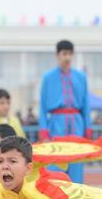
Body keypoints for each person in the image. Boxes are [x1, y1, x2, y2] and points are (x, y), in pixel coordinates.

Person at [38, 40, 92, 183]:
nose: (67, 57)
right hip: (56, 123)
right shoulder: (48, 77)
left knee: (76, 163)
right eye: (64, 54)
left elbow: (86, 104)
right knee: (55, 162)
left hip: (77, 124)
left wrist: (88, 128)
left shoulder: (81, 77)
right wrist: (43, 130)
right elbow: (42, 106)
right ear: (57, 55)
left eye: (69, 54)